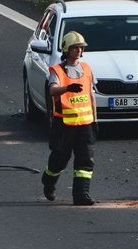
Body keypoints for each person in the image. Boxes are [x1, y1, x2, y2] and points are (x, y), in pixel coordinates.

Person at [41, 31, 97, 206]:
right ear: (67, 49)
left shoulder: (86, 68)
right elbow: (52, 90)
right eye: (75, 47)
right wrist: (67, 89)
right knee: (59, 159)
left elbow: (91, 95)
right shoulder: (57, 71)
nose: (79, 50)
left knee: (85, 160)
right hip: (64, 125)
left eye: (81, 47)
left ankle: (81, 195)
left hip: (85, 125)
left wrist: (95, 120)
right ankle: (48, 182)